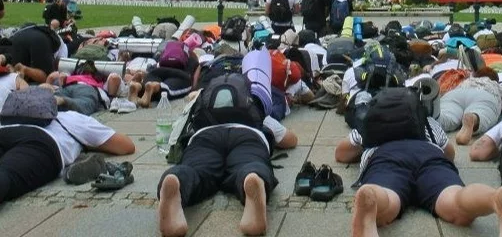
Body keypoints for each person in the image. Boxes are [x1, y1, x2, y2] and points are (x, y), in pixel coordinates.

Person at [335, 111, 502, 237]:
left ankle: (373, 198)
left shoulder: (372, 119)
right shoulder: (426, 120)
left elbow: (341, 153)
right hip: (429, 154)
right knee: (455, 199)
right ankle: (494, 198)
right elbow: (449, 153)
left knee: (388, 200)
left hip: (386, 155)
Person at [157, 86, 299, 236]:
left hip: (205, 136)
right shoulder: (253, 102)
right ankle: (252, 176)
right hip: (247, 135)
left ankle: (177, 180)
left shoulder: (204, 100)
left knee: (195, 168)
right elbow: (289, 140)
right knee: (250, 163)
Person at [0, 100, 135, 202]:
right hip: (41, 142)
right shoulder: (69, 117)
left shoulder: (11, 115)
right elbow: (126, 146)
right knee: (8, 175)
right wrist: (87, 144)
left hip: (5, 131)